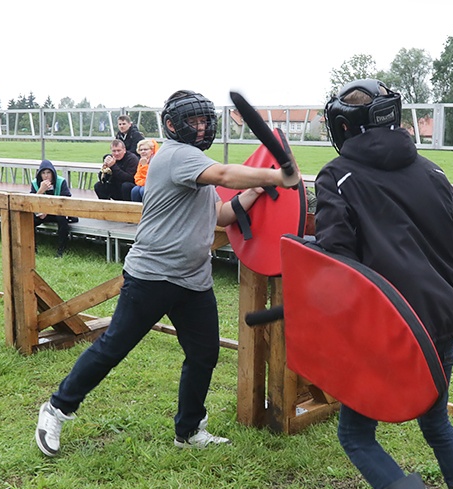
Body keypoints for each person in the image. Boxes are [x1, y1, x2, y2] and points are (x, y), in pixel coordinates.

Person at [35, 89, 300, 458]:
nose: (201, 126)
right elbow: (224, 173)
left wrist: (255, 189)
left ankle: (189, 429)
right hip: (153, 275)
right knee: (113, 348)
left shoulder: (196, 165)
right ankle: (57, 408)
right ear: (173, 125)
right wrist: (276, 177)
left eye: (204, 120)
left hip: (193, 280)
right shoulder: (176, 156)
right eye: (193, 121)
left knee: (203, 354)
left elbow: (219, 216)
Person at [314, 79, 453, 489]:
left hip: (387, 324)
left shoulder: (337, 177)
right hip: (439, 319)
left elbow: (335, 262)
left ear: (345, 127)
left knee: (356, 434)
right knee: (435, 422)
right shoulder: (432, 171)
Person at [31, 159, 74, 257]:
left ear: (53, 173)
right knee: (29, 220)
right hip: (42, 213)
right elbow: (31, 202)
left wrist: (49, 210)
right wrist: (41, 191)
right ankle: (32, 248)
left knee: (62, 219)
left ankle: (61, 249)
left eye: (48, 172)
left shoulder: (61, 181)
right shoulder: (35, 183)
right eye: (43, 173)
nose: (46, 176)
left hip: (57, 212)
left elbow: (66, 200)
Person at [128, 138, 159, 203]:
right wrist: (142, 183)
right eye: (141, 150)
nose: (143, 151)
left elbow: (152, 178)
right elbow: (137, 177)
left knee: (143, 190)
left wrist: (145, 166)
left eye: (146, 149)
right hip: (143, 184)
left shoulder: (156, 161)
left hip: (155, 186)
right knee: (135, 190)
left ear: (152, 150)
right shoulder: (142, 161)